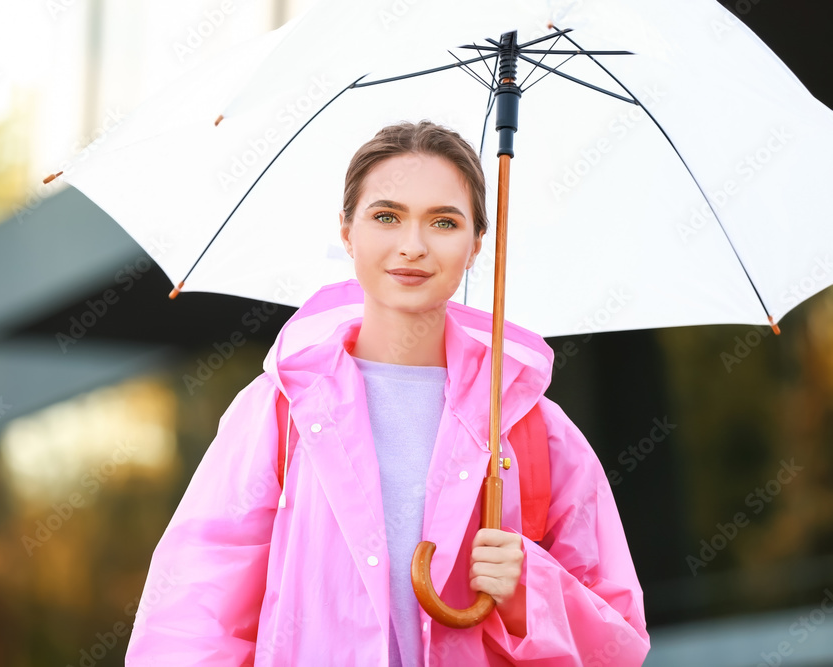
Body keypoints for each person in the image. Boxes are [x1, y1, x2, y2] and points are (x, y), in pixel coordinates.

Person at [125, 120, 650, 666]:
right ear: (348, 233)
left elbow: (620, 645)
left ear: (475, 245)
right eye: (386, 216)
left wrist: (529, 592)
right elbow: (188, 622)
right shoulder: (280, 413)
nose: (413, 246)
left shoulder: (533, 427)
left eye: (444, 222)